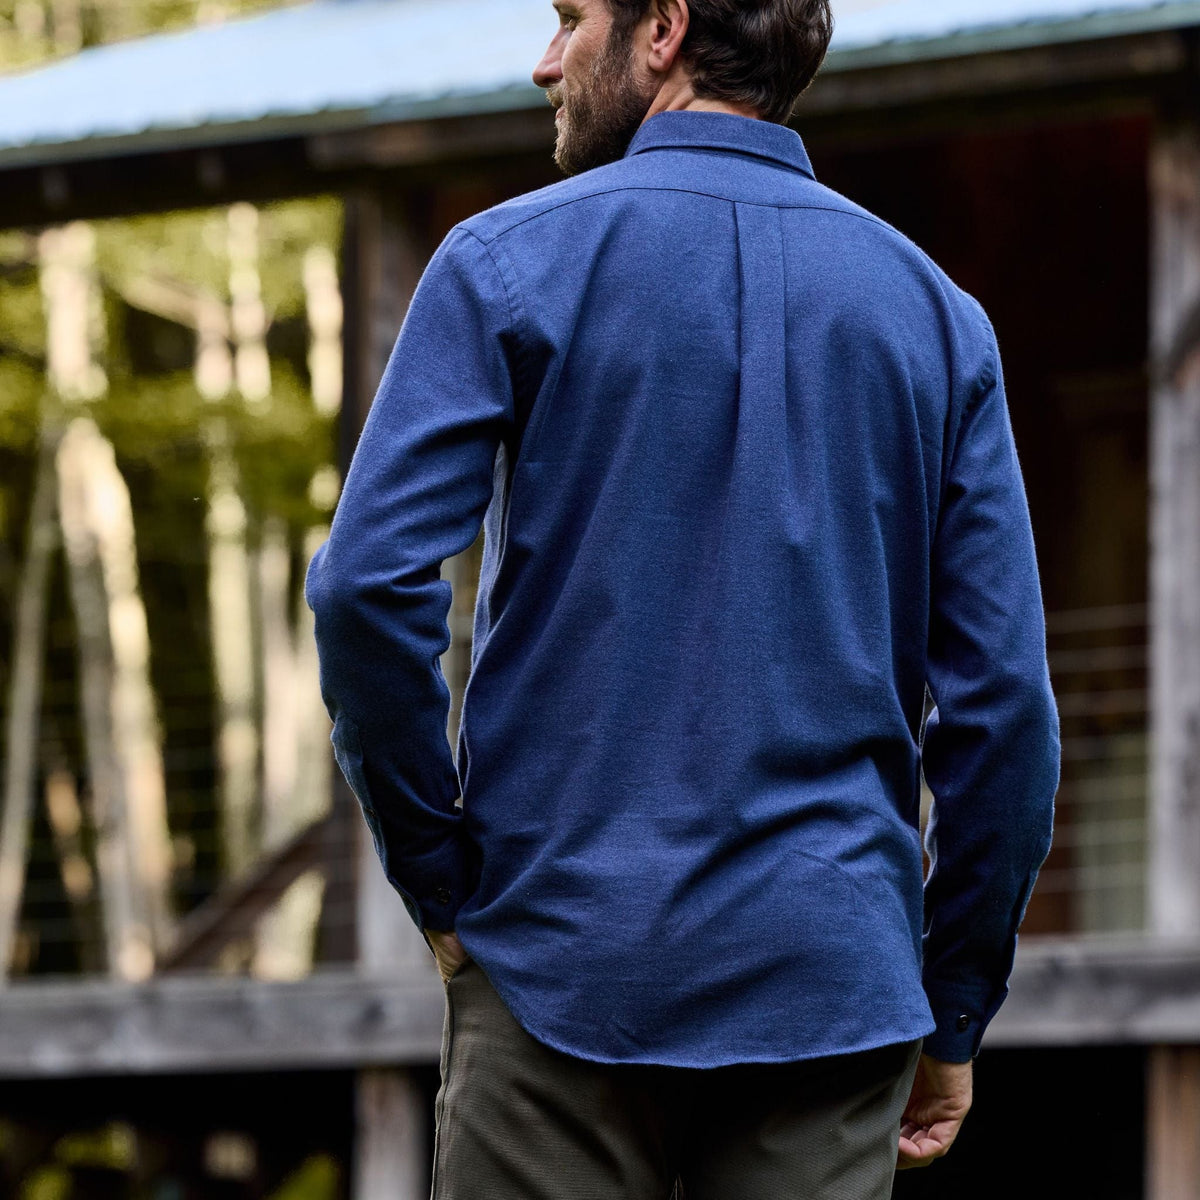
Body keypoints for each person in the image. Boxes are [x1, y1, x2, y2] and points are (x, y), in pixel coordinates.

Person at [305, 0, 1060, 1195]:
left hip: (556, 959)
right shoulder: (938, 321)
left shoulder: (502, 262)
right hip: (831, 987)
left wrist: (437, 877)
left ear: (661, 27)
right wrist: (954, 1004)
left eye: (569, 18)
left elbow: (364, 588)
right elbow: (1007, 709)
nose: (545, 62)